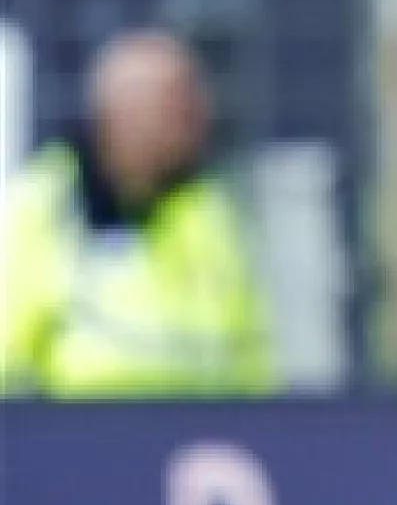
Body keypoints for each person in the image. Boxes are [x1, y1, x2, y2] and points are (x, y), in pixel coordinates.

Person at [0, 30, 276, 396]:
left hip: (200, 439)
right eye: (172, 103)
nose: (194, 118)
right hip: (77, 438)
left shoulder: (209, 211)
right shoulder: (43, 206)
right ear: (119, 112)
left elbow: (251, 354)